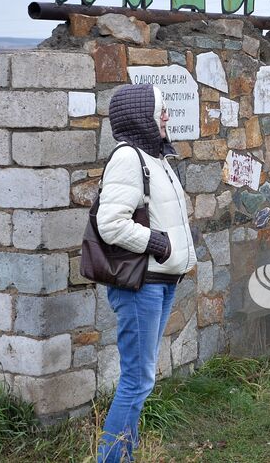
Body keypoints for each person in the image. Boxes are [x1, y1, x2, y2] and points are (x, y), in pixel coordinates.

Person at [95, 83, 196, 462]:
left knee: (141, 379)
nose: (167, 116)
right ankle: (112, 459)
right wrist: (159, 244)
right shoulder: (128, 158)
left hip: (161, 281)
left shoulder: (155, 157)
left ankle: (125, 455)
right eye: (160, 110)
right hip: (141, 286)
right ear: (142, 116)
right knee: (138, 381)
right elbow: (111, 224)